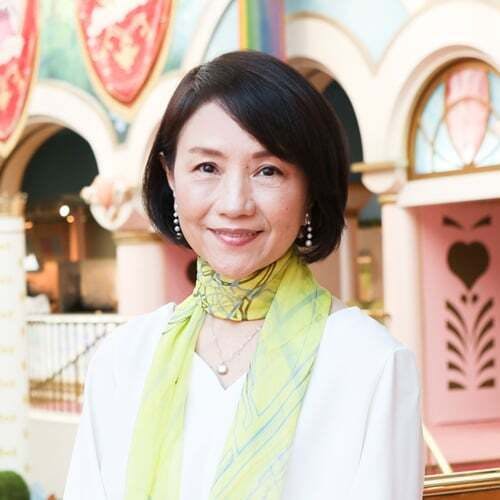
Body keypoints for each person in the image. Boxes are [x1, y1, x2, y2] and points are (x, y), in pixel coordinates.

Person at [64, 51, 424, 500]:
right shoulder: (123, 360)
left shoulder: (370, 364)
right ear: (170, 176)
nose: (235, 203)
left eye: (268, 170)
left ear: (310, 188)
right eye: (207, 168)